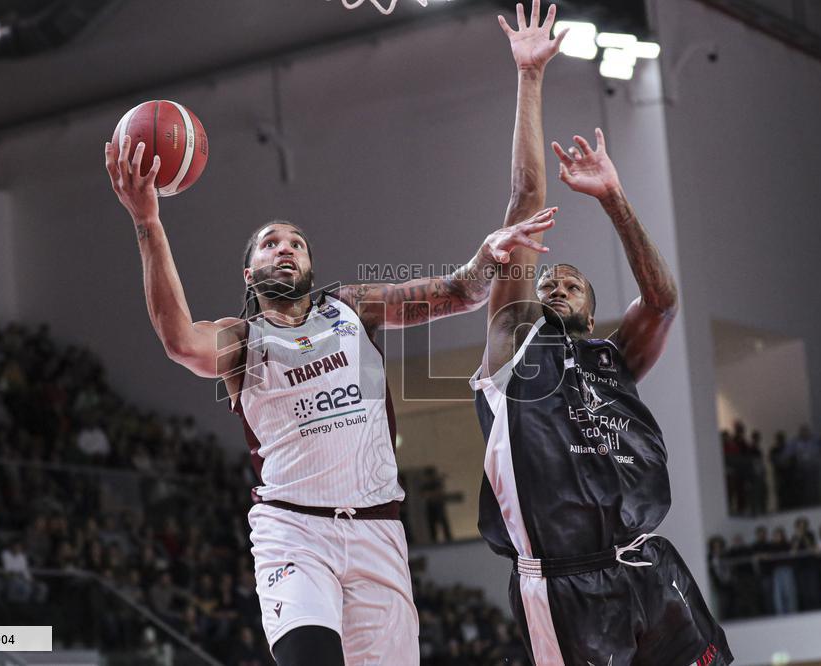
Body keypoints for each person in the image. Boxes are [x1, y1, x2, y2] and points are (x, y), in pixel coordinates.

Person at [105, 81, 554, 666]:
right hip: (294, 534)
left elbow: (455, 294)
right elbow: (178, 339)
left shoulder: (353, 308)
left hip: (377, 532)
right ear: (249, 274)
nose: (286, 248)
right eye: (271, 243)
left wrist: (486, 256)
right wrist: (148, 223)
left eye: (296, 243)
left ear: (312, 265)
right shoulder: (243, 342)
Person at [467, 2, 732, 663]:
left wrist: (614, 197)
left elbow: (663, 301)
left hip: (649, 565)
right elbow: (527, 204)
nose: (554, 285)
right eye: (547, 280)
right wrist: (531, 77)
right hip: (565, 582)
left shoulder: (613, 357)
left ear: (591, 312)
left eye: (572, 284)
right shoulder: (512, 349)